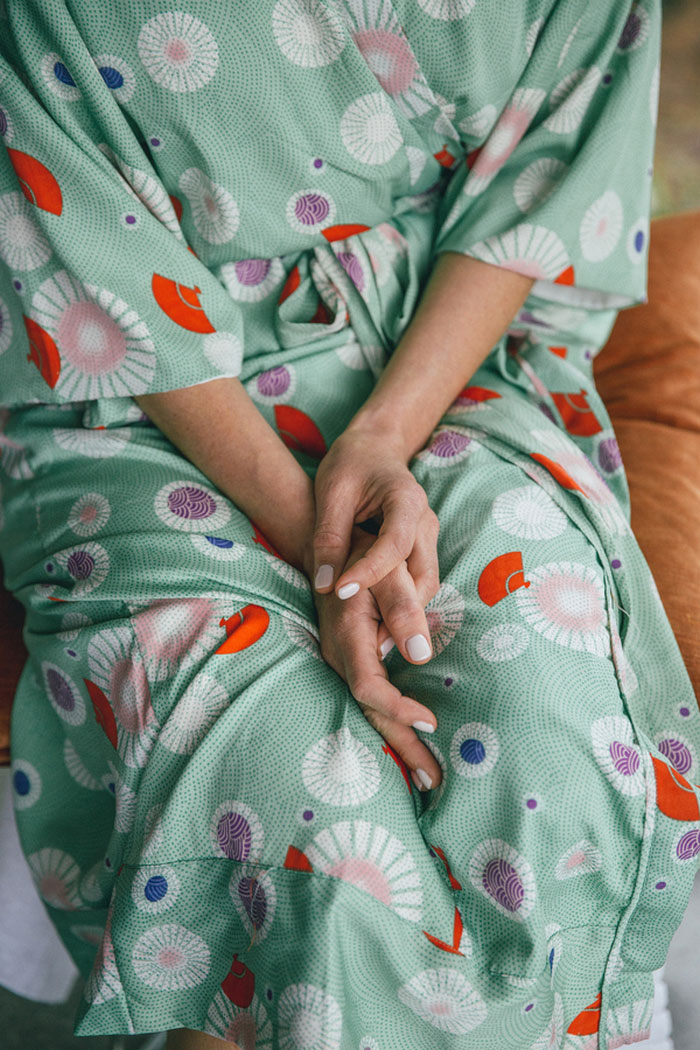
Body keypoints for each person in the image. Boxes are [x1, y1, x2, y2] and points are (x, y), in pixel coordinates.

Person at [1, 1, 698, 1047]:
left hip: (430, 359)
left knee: (558, 734)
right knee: (298, 807)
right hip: (137, 399)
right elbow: (88, 251)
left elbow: (542, 178)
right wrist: (332, 555)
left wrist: (378, 441)